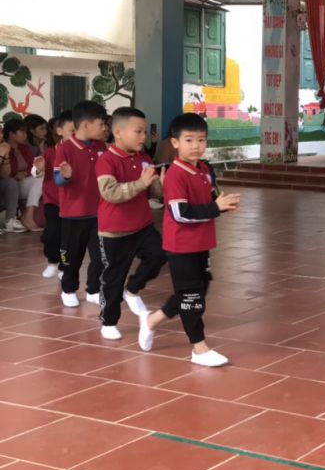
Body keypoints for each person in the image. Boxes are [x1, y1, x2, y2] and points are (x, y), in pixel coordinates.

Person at [138, 113, 240, 367]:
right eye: (189, 140)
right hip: (181, 246)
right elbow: (180, 213)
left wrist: (222, 204)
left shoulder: (204, 169)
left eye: (201, 140)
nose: (196, 146)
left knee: (198, 290)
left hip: (201, 243)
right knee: (191, 298)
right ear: (175, 143)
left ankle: (152, 320)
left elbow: (209, 199)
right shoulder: (176, 174)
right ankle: (199, 349)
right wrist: (215, 208)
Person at [95, 108, 167, 341]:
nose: (143, 136)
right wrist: (141, 183)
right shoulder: (106, 160)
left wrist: (161, 185)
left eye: (144, 131)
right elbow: (110, 193)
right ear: (118, 132)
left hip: (143, 225)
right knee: (113, 277)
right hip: (114, 230)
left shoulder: (144, 158)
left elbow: (154, 192)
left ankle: (133, 289)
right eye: (138, 131)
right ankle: (108, 321)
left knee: (159, 254)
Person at [54, 101, 108, 307]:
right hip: (73, 214)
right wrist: (65, 176)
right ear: (86, 125)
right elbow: (58, 179)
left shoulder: (101, 146)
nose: (104, 128)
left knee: (100, 255)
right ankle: (68, 289)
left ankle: (93, 289)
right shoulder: (65, 148)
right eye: (101, 124)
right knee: (71, 256)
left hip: (99, 212)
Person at [41, 112, 74, 278]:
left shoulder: (80, 152)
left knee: (67, 238)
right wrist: (37, 169)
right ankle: (52, 261)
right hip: (52, 200)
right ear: (59, 131)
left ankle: (62, 266)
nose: (75, 135)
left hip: (72, 202)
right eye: (72, 131)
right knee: (52, 233)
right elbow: (38, 172)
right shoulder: (50, 152)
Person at [1, 118, 44, 232]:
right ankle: (20, 217)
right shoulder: (4, 149)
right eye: (22, 132)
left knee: (41, 177)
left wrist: (27, 173)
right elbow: (5, 173)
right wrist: (15, 175)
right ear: (11, 134)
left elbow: (32, 167)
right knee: (12, 182)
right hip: (11, 185)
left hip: (24, 182)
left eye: (26, 132)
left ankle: (29, 214)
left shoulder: (24, 148)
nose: (25, 135)